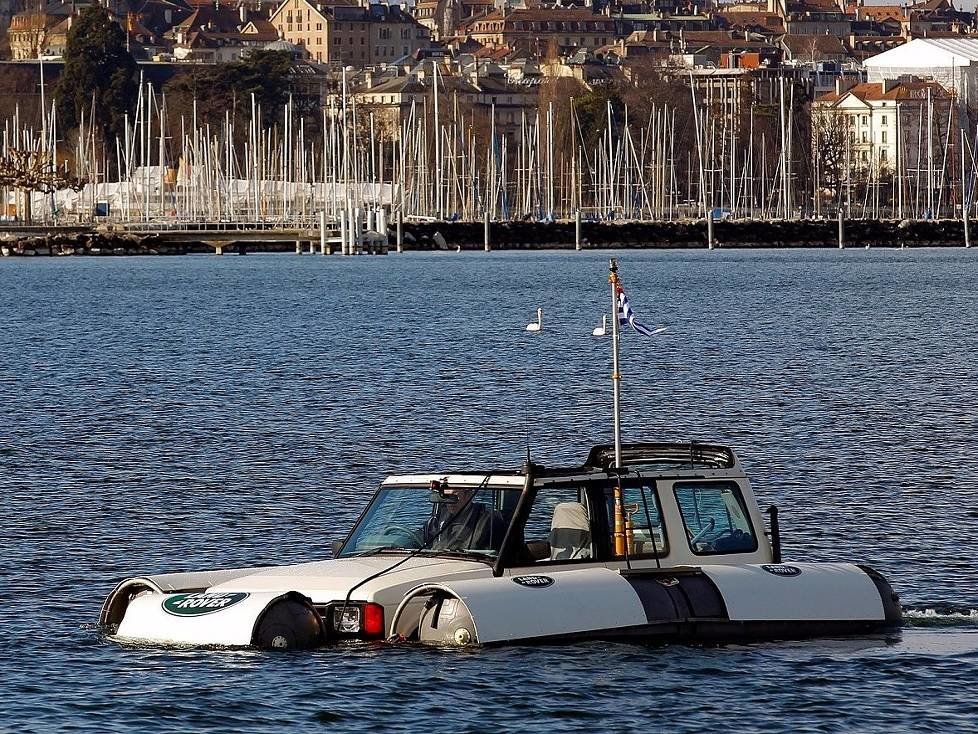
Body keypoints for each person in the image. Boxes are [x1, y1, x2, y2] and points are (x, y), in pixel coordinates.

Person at [424, 483, 507, 553]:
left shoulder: (488, 522)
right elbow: (423, 539)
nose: (450, 502)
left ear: (468, 495)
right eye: (447, 496)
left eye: (455, 496)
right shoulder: (438, 520)